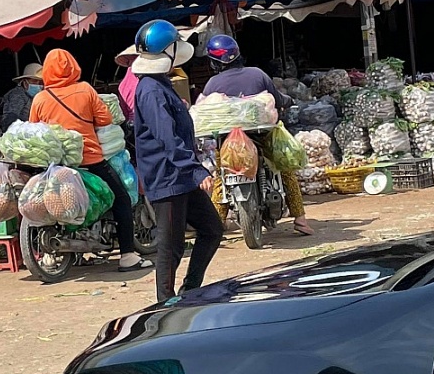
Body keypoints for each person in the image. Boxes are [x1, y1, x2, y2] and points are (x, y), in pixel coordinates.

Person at [30, 49, 152, 272]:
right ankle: (127, 256)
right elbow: (105, 119)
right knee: (121, 199)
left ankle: (48, 255)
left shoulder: (40, 98)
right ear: (73, 67)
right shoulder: (85, 90)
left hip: (56, 164)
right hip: (90, 160)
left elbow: (35, 130)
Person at [132, 20, 223, 302]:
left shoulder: (160, 83)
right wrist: (196, 170)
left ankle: (190, 289)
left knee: (212, 229)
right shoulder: (150, 89)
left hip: (180, 176)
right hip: (168, 177)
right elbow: (167, 138)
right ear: (168, 51)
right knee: (170, 247)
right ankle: (165, 303)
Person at [203, 34, 314, 236]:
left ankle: (216, 225)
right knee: (284, 168)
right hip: (261, 135)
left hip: (227, 142)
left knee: (222, 174)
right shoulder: (257, 74)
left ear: (214, 62)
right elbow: (276, 99)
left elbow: (205, 110)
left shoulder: (211, 84)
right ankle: (300, 219)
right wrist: (288, 101)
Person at [0, 63, 43, 131]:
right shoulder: (17, 95)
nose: (38, 85)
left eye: (40, 82)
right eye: (34, 81)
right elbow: (10, 119)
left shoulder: (36, 96)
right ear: (25, 82)